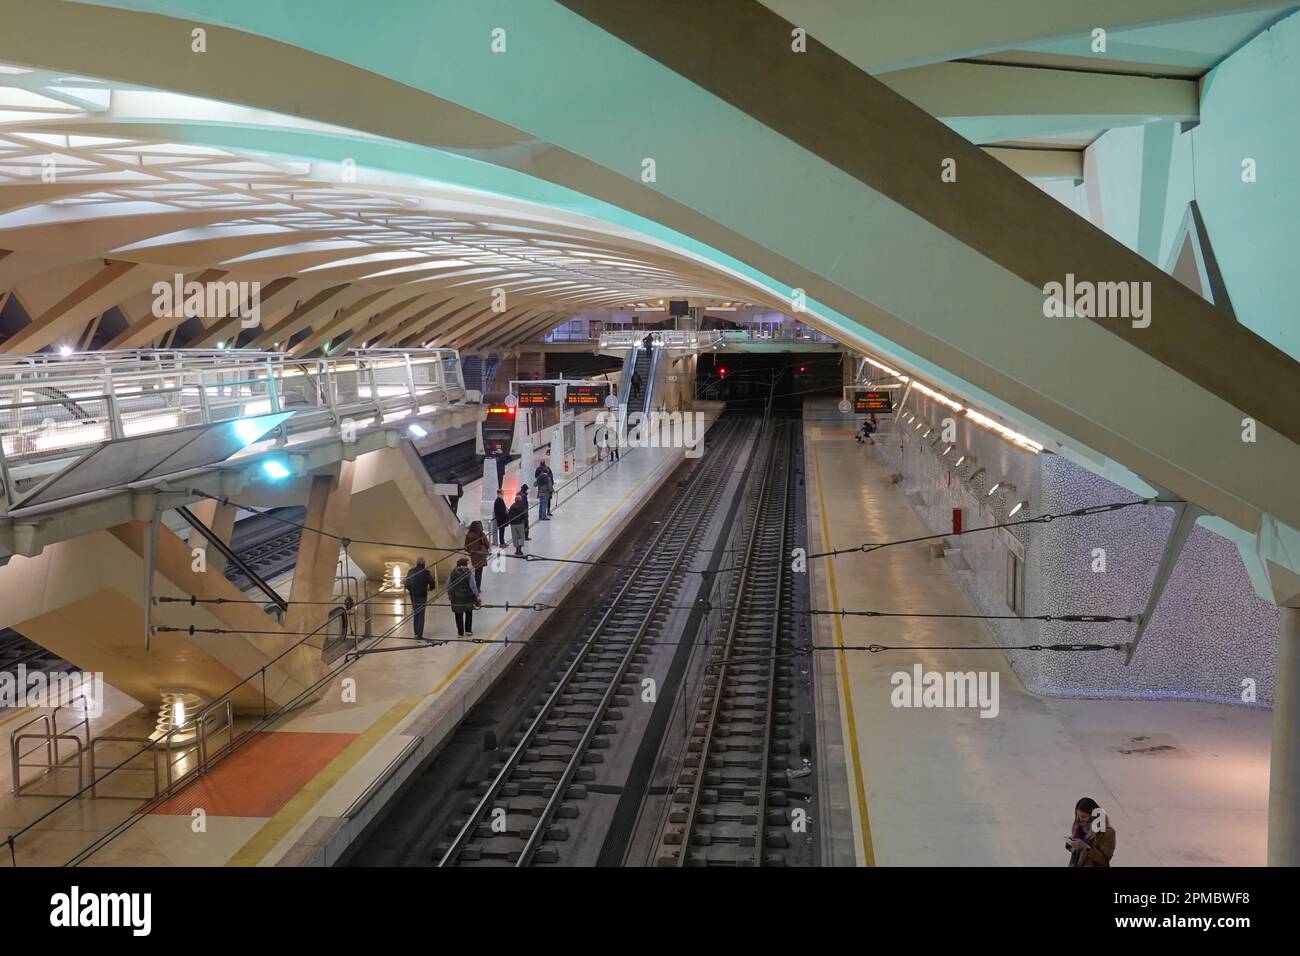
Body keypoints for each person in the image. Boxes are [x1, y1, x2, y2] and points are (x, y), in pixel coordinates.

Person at [1067, 797, 1116, 867]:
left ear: (1094, 816)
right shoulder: (1079, 828)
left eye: (1084, 817)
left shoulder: (1107, 833)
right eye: (1078, 816)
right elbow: (1078, 854)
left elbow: (1104, 860)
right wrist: (1071, 843)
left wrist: (1086, 847)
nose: (1080, 819)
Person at [446, 557, 481, 637]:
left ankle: (460, 633)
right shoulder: (468, 573)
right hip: (467, 596)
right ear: (465, 564)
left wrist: (450, 594)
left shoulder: (453, 572)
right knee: (468, 613)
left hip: (456, 597)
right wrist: (477, 596)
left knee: (458, 615)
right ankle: (468, 630)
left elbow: (448, 585)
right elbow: (473, 586)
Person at [403, 556, 433, 640]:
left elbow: (406, 583)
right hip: (422, 595)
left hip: (413, 596)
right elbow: (432, 583)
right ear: (424, 563)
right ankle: (420, 634)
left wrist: (411, 590)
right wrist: (429, 588)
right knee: (421, 614)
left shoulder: (411, 571)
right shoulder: (426, 572)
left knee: (415, 613)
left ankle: (416, 632)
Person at [465, 520, 490, 589]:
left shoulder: (468, 535)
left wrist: (471, 550)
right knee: (479, 572)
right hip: (480, 554)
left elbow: (466, 547)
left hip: (473, 555)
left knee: (477, 570)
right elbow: (487, 544)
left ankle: (475, 586)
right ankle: (477, 587)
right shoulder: (481, 534)